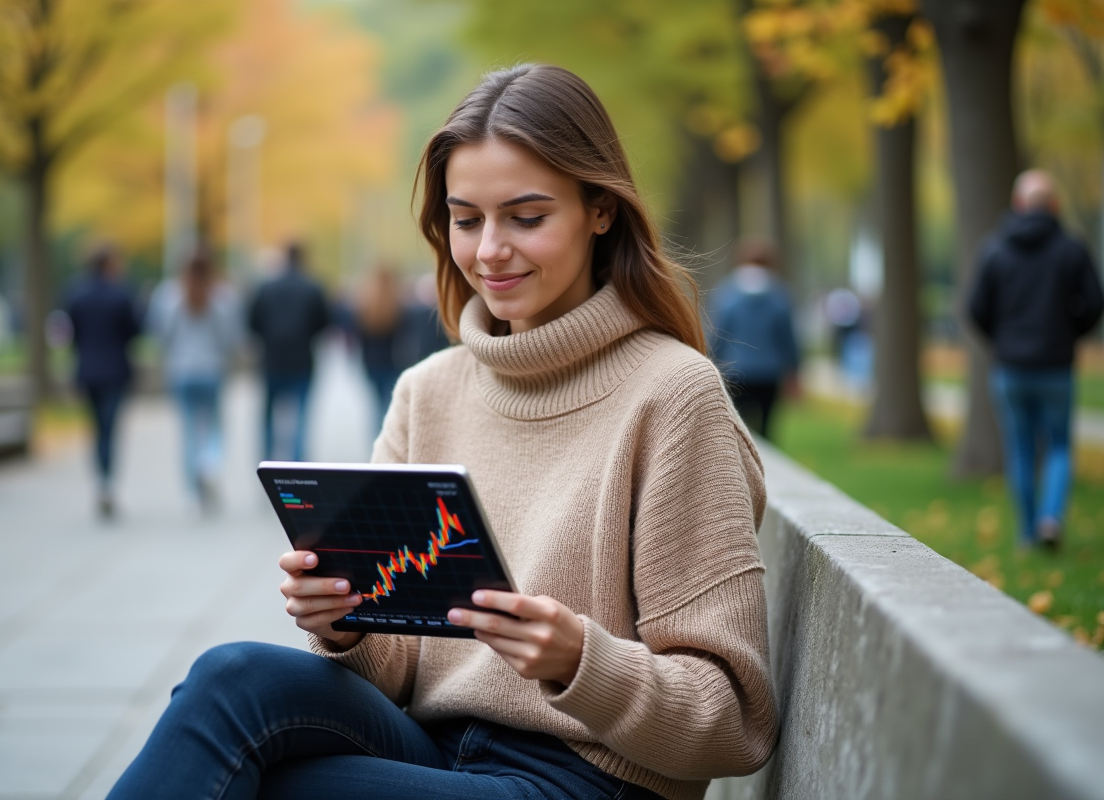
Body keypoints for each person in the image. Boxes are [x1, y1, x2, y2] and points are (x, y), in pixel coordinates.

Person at [108, 64, 777, 800]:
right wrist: (345, 624)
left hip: (586, 778)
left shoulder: (672, 395)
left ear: (600, 211)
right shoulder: (429, 391)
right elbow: (395, 666)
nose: (490, 250)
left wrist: (578, 659)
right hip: (434, 746)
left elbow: (733, 721)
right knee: (230, 679)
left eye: (526, 217)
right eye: (467, 219)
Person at [968, 169, 1104, 549]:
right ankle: (1050, 518)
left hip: (1010, 368)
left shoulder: (994, 249)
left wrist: (1001, 339)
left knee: (1022, 448)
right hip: (1057, 366)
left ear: (1018, 204)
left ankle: (1028, 534)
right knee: (1059, 445)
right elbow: (1095, 303)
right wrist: (1071, 332)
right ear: (1055, 204)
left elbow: (976, 308)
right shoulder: (1072, 249)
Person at [149, 251, 242, 511]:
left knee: (188, 431)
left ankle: (193, 489)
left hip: (181, 370)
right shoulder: (223, 297)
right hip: (212, 369)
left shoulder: (168, 295)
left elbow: (161, 335)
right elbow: (231, 338)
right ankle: (209, 465)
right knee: (215, 426)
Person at [63, 245, 142, 519]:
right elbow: (134, 330)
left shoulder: (76, 294)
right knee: (110, 428)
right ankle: (107, 482)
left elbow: (71, 333)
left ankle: (100, 479)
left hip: (87, 371)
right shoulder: (120, 294)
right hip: (115, 371)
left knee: (96, 428)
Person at [708, 240, 800, 439]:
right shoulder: (779, 295)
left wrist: (711, 361)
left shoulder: (727, 293)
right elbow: (788, 338)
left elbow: (718, 334)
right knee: (767, 428)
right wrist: (794, 370)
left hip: (736, 370)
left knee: (739, 427)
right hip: (769, 372)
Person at [248, 242, 330, 461]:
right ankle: (297, 462)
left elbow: (253, 322)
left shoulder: (266, 287)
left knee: (268, 414)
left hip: (272, 359)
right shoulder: (312, 287)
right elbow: (323, 323)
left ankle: (267, 458)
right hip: (302, 359)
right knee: (301, 414)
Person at [351, 265, 407, 426]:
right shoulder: (397, 306)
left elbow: (358, 338)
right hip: (392, 361)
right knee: (389, 404)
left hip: (370, 363)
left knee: (375, 405)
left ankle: (377, 438)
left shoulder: (364, 307)